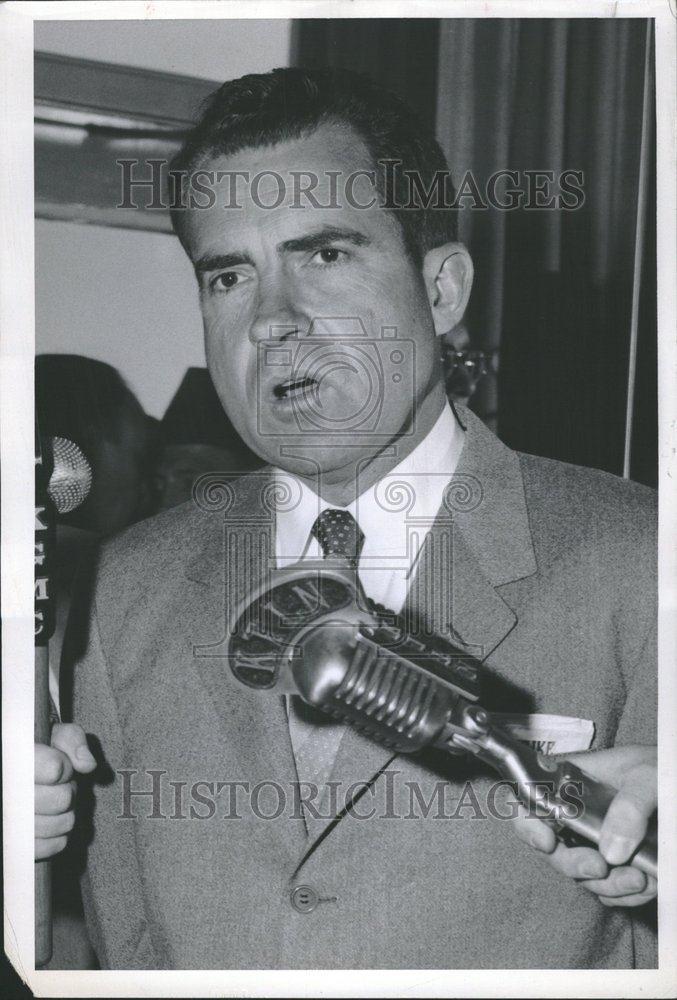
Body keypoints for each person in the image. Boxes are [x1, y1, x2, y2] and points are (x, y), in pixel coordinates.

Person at [35, 68, 657, 969]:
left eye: (324, 255)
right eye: (229, 276)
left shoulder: (640, 561)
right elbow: (98, 944)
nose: (274, 321)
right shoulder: (123, 589)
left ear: (441, 291)